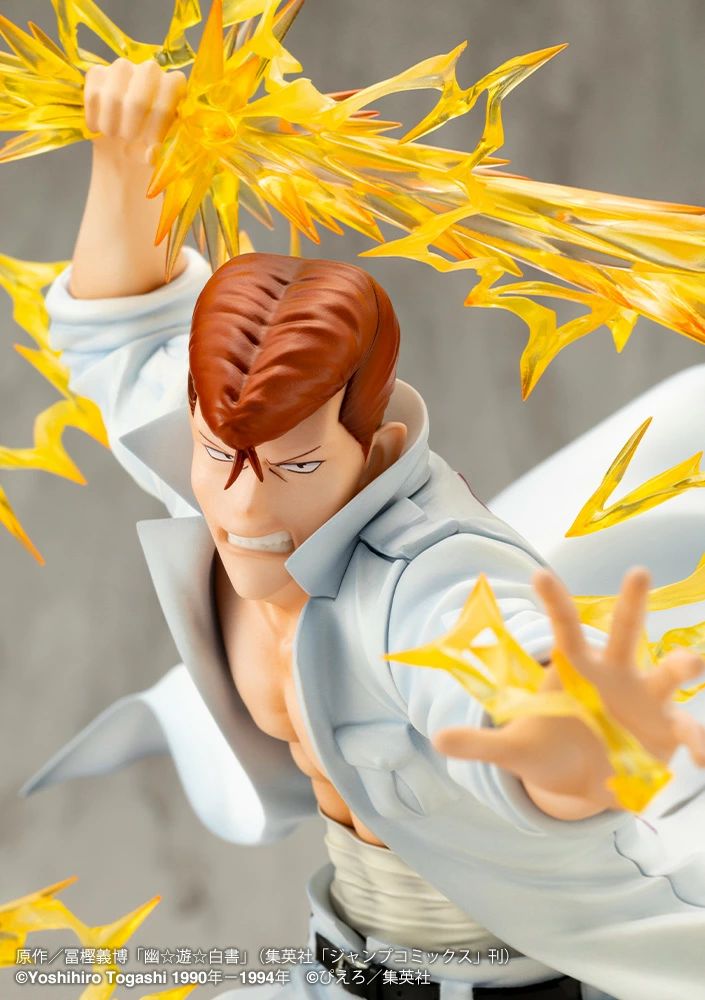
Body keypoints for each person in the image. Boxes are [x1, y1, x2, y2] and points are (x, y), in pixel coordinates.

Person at [25, 59, 705, 1000]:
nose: (245, 509)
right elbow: (122, 330)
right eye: (220, 457)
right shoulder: (228, 449)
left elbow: (492, 674)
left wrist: (573, 757)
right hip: (340, 966)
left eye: (300, 467)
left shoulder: (426, 576)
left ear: (376, 449)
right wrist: (125, 156)